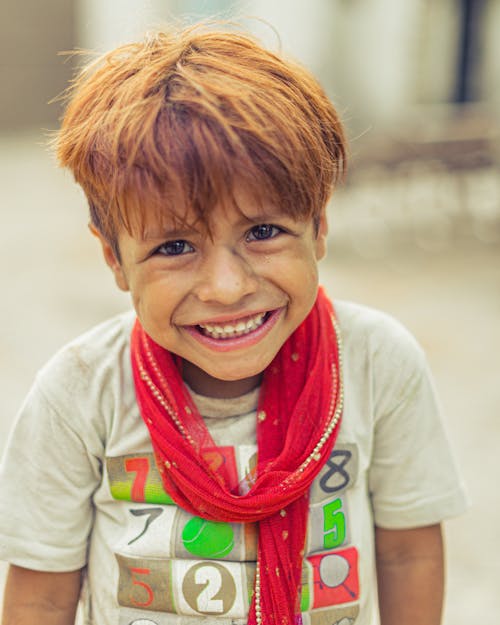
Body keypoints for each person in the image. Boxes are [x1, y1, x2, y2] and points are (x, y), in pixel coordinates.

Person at [0, 22, 467, 625]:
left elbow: (408, 552)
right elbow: (41, 594)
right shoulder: (80, 391)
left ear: (319, 226)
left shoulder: (378, 363)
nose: (227, 288)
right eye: (174, 246)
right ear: (114, 257)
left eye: (264, 232)